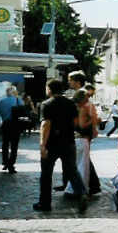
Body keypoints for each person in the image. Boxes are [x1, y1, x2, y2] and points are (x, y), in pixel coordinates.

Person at [37, 79, 88, 212]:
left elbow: (45, 124)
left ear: (50, 89)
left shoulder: (46, 104)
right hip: (69, 142)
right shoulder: (71, 104)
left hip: (52, 143)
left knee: (46, 174)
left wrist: (43, 144)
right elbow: (76, 123)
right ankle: (81, 193)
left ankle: (45, 203)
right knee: (72, 170)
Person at [64, 89, 97, 199]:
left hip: (73, 138)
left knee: (76, 164)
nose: (88, 100)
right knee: (83, 165)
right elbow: (82, 125)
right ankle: (79, 189)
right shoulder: (82, 109)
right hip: (81, 139)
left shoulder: (72, 108)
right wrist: (93, 120)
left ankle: (73, 188)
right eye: (87, 98)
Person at [0, 86, 24, 174]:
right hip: (16, 125)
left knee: (5, 145)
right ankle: (11, 164)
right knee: (14, 146)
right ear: (14, 92)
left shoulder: (1, 102)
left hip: (6, 125)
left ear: (7, 93)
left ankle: (5, 162)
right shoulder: (18, 101)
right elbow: (23, 112)